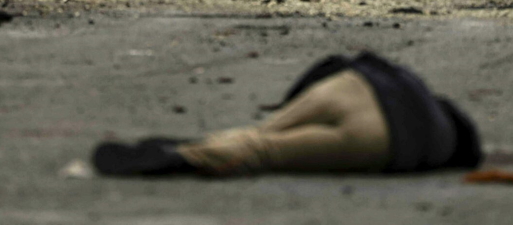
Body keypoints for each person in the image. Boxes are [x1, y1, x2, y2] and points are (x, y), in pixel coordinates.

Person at [92, 51, 481, 176]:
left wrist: (290, 103)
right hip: (381, 137)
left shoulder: (416, 85)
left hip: (351, 85)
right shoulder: (441, 144)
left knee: (264, 132)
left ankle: (228, 137)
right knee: (268, 152)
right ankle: (190, 156)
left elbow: (338, 62)